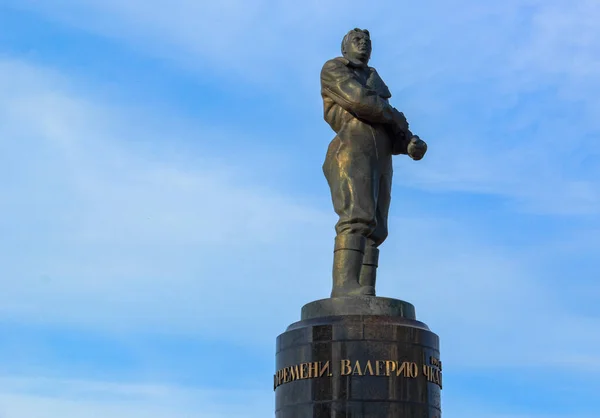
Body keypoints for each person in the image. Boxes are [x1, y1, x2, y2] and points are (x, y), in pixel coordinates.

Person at [321, 28, 427, 297]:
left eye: (368, 42)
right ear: (345, 47)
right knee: (357, 216)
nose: (364, 45)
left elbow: (386, 130)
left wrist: (408, 143)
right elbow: (359, 101)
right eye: (357, 41)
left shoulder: (373, 80)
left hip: (380, 157)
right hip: (351, 150)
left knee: (376, 227)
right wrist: (394, 116)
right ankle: (345, 286)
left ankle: (365, 289)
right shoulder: (335, 68)